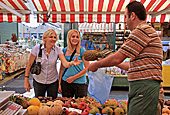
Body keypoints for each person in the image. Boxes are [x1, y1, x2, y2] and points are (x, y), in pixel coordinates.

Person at [88, 1, 163, 115]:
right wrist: (108, 61)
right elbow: (131, 65)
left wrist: (96, 65)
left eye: (125, 16)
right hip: (146, 88)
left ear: (133, 16)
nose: (125, 21)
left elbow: (117, 58)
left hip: (144, 88)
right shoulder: (147, 31)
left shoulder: (141, 31)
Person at [24, 29, 82, 99]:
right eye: (51, 37)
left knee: (52, 103)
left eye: (55, 37)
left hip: (53, 82)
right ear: (45, 38)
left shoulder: (58, 50)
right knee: (39, 102)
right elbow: (29, 64)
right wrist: (26, 80)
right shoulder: (37, 49)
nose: (53, 39)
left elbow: (65, 64)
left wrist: (72, 63)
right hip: (39, 80)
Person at [58, 29, 90, 99]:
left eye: (77, 37)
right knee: (67, 106)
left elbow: (88, 68)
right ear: (69, 38)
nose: (75, 39)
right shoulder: (64, 50)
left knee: (81, 105)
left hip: (80, 83)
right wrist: (59, 83)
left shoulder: (82, 51)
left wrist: (73, 78)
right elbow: (62, 68)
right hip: (66, 82)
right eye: (73, 36)